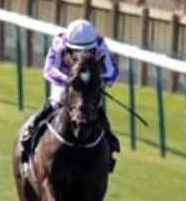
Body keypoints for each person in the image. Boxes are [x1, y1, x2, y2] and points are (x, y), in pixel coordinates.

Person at [17, 19, 122, 173]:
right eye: (76, 49)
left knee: (95, 108)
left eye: (86, 50)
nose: (81, 53)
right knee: (55, 103)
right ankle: (30, 134)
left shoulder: (100, 44)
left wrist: (98, 79)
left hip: (88, 84)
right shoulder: (59, 43)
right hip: (64, 83)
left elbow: (113, 71)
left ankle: (109, 147)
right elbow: (49, 69)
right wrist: (69, 80)